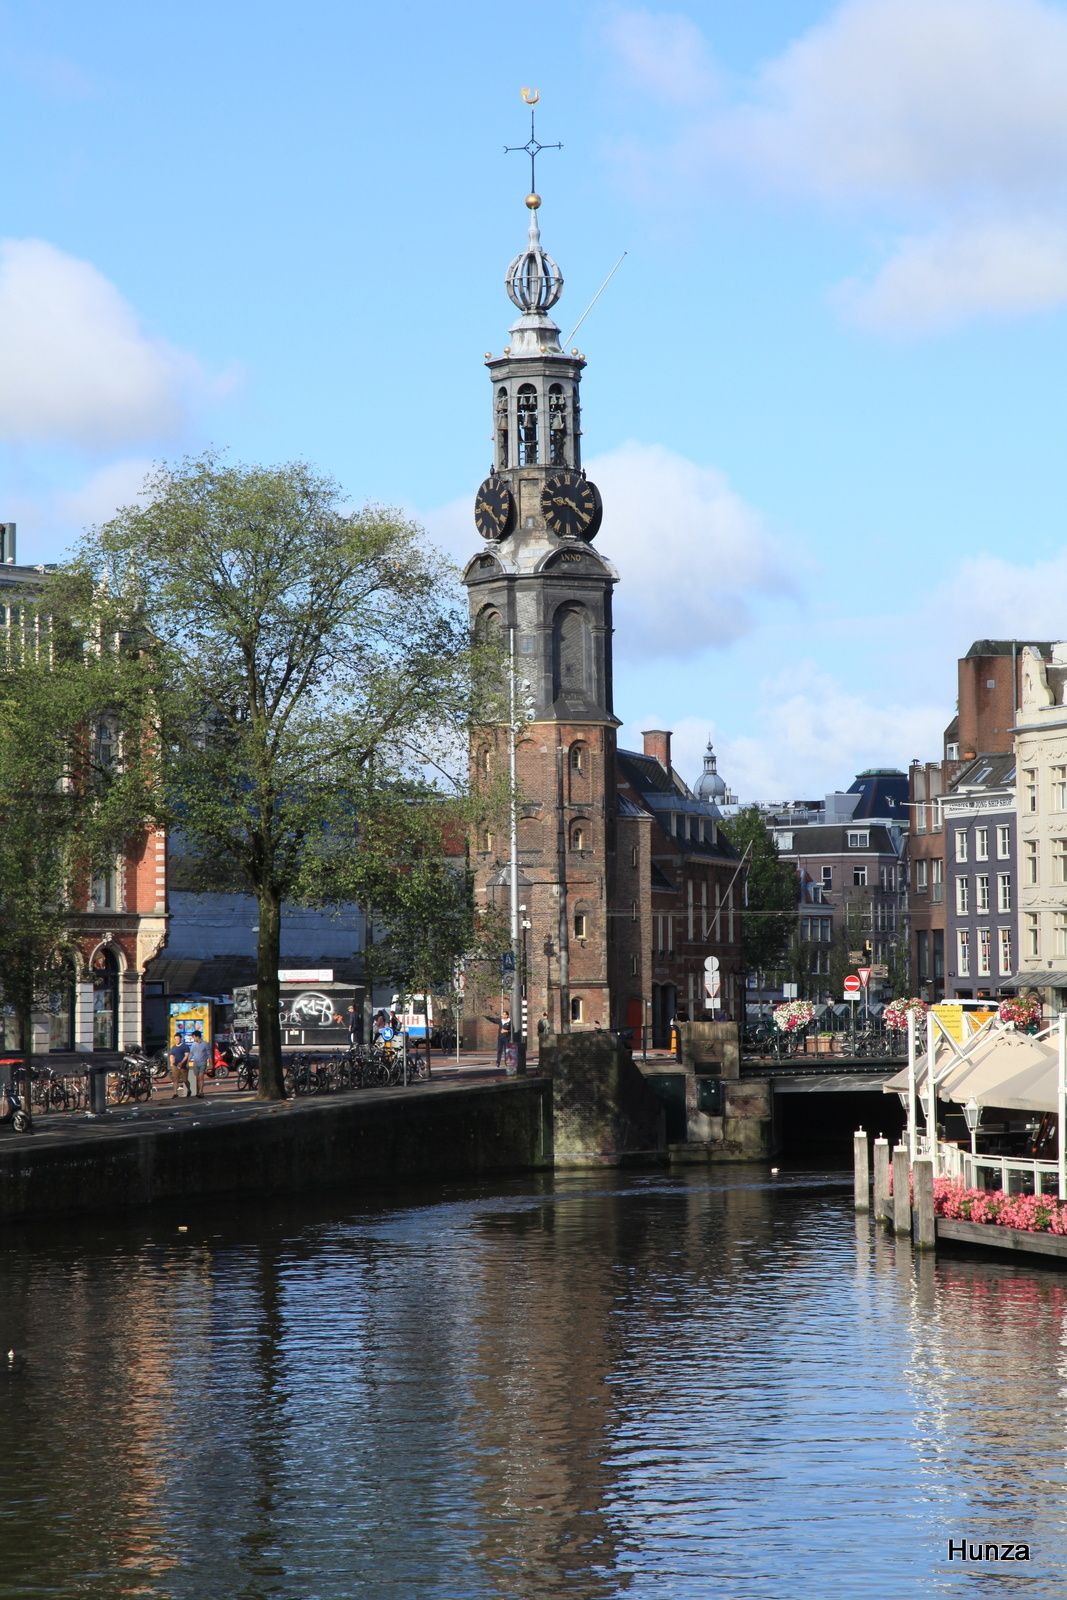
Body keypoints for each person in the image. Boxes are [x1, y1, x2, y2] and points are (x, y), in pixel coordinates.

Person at [187, 1031, 211, 1099]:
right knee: (197, 1078)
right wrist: (188, 1061)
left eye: (193, 1037)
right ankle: (198, 1092)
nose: (193, 1038)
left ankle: (201, 1092)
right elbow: (191, 1053)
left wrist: (210, 1063)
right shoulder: (193, 1044)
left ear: (197, 1037)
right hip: (195, 1063)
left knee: (201, 1077)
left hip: (203, 1063)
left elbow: (209, 1054)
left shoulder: (205, 1044)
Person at [169, 1033, 191, 1099]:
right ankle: (175, 1093)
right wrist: (171, 1061)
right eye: (175, 1039)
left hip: (183, 1066)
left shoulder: (185, 1046)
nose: (176, 1040)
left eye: (178, 1039)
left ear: (180, 1039)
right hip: (175, 1065)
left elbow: (186, 1056)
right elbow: (171, 1055)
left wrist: (181, 1063)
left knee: (185, 1080)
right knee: (175, 1079)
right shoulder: (173, 1047)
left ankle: (189, 1090)